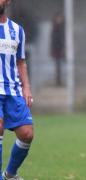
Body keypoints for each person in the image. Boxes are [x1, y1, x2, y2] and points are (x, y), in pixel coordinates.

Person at [0, 0, 34, 180]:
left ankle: (10, 175)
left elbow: (21, 61)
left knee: (27, 133)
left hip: (13, 90)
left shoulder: (16, 30)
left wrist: (26, 88)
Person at [50, 12, 65, 86]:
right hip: (57, 49)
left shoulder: (63, 28)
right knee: (57, 66)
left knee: (60, 66)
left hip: (61, 48)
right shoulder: (55, 28)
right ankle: (58, 81)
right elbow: (53, 40)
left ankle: (60, 80)